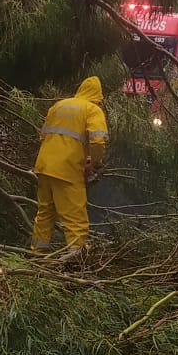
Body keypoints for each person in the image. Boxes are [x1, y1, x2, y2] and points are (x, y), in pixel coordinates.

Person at [31, 75, 109, 256]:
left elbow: (43, 136)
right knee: (75, 219)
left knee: (44, 213)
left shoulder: (58, 106)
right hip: (67, 170)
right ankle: (76, 259)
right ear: (97, 96)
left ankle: (37, 255)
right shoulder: (92, 110)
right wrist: (94, 163)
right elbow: (98, 142)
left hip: (44, 166)